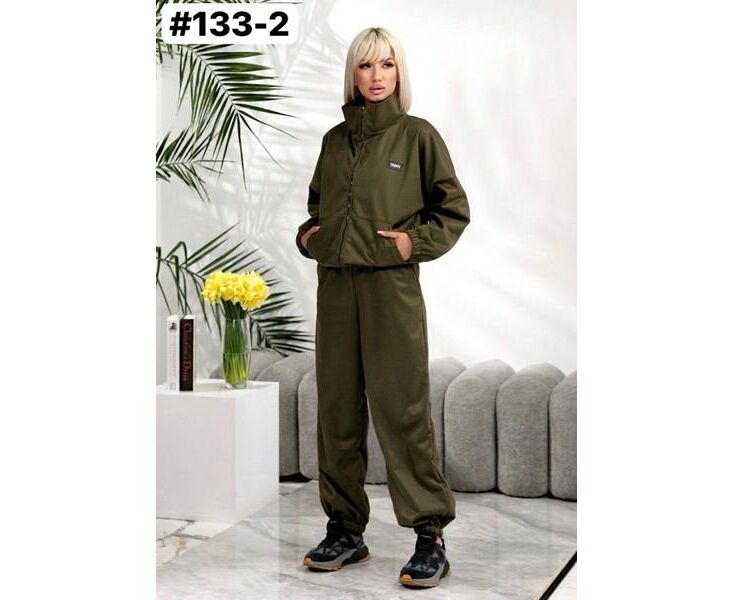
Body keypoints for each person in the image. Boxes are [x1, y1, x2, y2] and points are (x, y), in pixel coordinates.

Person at [295, 26, 470, 589]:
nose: (376, 76)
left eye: (387, 65)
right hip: (336, 291)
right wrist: (309, 237)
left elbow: (453, 210)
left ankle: (429, 536)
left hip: (391, 292)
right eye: (366, 65)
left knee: (402, 410)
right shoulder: (334, 141)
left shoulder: (418, 136)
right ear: (353, 73)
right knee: (337, 412)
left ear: (399, 72)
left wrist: (411, 244)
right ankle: (345, 529)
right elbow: (318, 207)